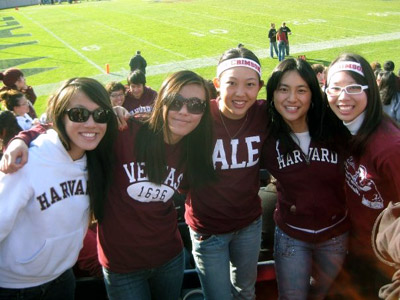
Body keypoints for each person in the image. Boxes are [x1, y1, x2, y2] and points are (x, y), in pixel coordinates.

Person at [1, 70, 216, 300]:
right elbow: (70, 128)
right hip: (121, 266)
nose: (184, 111)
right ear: (161, 101)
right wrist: (23, 138)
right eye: (176, 102)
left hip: (169, 259)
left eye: (195, 105)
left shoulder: (194, 149)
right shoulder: (124, 132)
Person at [0, 77, 117, 300]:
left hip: (62, 279)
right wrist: (22, 138)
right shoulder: (26, 162)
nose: (91, 123)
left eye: (101, 115)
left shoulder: (95, 158)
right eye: (79, 114)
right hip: (14, 289)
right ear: (60, 116)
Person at [184, 47, 268, 300]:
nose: (241, 93)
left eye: (250, 84)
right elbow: (158, 124)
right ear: (218, 83)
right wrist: (119, 114)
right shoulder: (197, 115)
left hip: (249, 224)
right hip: (208, 230)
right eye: (231, 83)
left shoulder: (264, 113)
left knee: (246, 292)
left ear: (259, 86)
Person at [263, 58, 350, 300]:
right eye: (283, 89)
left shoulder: (336, 126)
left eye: (301, 90)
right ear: (272, 93)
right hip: (292, 234)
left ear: (313, 93)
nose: (292, 98)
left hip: (335, 232)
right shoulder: (266, 133)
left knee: (328, 295)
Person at [325, 53, 400, 299]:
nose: (343, 96)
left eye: (354, 88)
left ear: (371, 88)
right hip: (355, 252)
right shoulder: (346, 128)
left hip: (385, 267)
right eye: (335, 88)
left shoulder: (389, 147)